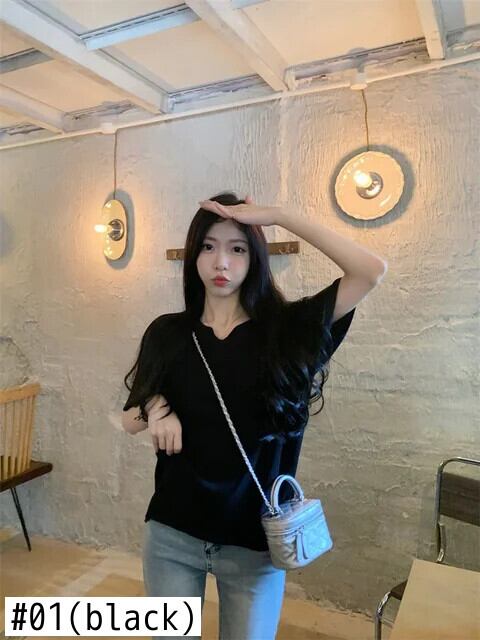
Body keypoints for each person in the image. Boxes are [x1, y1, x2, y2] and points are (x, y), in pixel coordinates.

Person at [122, 192, 387, 640]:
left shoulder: (289, 331)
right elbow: (129, 419)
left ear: (255, 258)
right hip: (172, 535)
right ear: (193, 255)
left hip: (255, 546)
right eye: (208, 246)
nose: (221, 262)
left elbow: (370, 270)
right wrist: (156, 407)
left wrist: (279, 214)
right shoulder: (168, 332)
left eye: (237, 248)